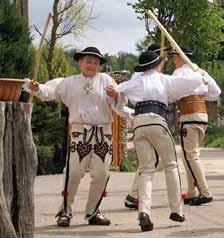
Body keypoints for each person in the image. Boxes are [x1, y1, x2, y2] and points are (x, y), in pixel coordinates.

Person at [24, 46, 133, 227]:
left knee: (101, 174)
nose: (92, 65)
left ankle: (93, 211)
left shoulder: (106, 79)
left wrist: (117, 96)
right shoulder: (68, 82)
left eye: (96, 62)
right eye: (88, 61)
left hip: (102, 133)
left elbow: (119, 106)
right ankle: (65, 212)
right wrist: (36, 88)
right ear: (80, 62)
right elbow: (48, 92)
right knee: (73, 173)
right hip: (79, 132)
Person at [106, 50, 205, 231]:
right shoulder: (164, 79)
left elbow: (116, 99)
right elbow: (193, 83)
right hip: (157, 121)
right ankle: (177, 210)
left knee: (146, 169)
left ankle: (144, 211)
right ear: (157, 65)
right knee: (171, 165)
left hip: (139, 125)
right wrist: (197, 73)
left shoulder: (135, 80)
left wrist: (123, 105)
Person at [171, 46, 221, 206]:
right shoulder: (201, 72)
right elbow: (216, 92)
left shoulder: (179, 73)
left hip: (189, 117)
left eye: (174, 56)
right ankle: (192, 192)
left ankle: (205, 192)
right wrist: (201, 95)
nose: (173, 60)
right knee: (190, 156)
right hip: (202, 116)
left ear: (180, 57)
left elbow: (172, 94)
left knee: (190, 156)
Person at [124, 43, 169, 210]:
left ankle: (134, 194)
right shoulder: (140, 76)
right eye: (161, 58)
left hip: (153, 118)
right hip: (145, 117)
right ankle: (134, 195)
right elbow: (135, 97)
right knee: (151, 161)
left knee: (151, 161)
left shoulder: (156, 76)